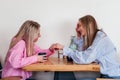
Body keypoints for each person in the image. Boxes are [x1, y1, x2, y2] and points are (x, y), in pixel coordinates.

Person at [55, 15, 120, 79]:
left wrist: (63, 48)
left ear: (87, 26)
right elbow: (81, 53)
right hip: (107, 76)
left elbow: (84, 59)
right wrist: (78, 38)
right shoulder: (95, 37)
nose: (78, 28)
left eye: (79, 25)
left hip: (112, 77)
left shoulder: (100, 38)